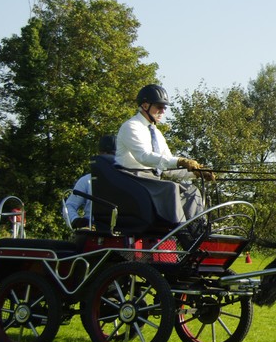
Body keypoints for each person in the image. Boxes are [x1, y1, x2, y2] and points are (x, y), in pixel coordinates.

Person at [115, 83, 213, 237]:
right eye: (159, 107)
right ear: (145, 105)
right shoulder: (131, 127)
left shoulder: (157, 134)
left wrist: (195, 173)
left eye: (165, 107)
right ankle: (183, 234)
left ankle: (200, 234)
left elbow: (168, 166)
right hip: (132, 180)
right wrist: (180, 161)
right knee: (171, 188)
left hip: (152, 182)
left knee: (191, 190)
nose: (163, 111)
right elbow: (144, 157)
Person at [64, 134, 117, 228]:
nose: (109, 158)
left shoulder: (129, 178)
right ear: (100, 154)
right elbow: (70, 205)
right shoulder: (87, 180)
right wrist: (75, 220)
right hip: (92, 228)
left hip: (124, 229)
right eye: (105, 153)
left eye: (112, 154)